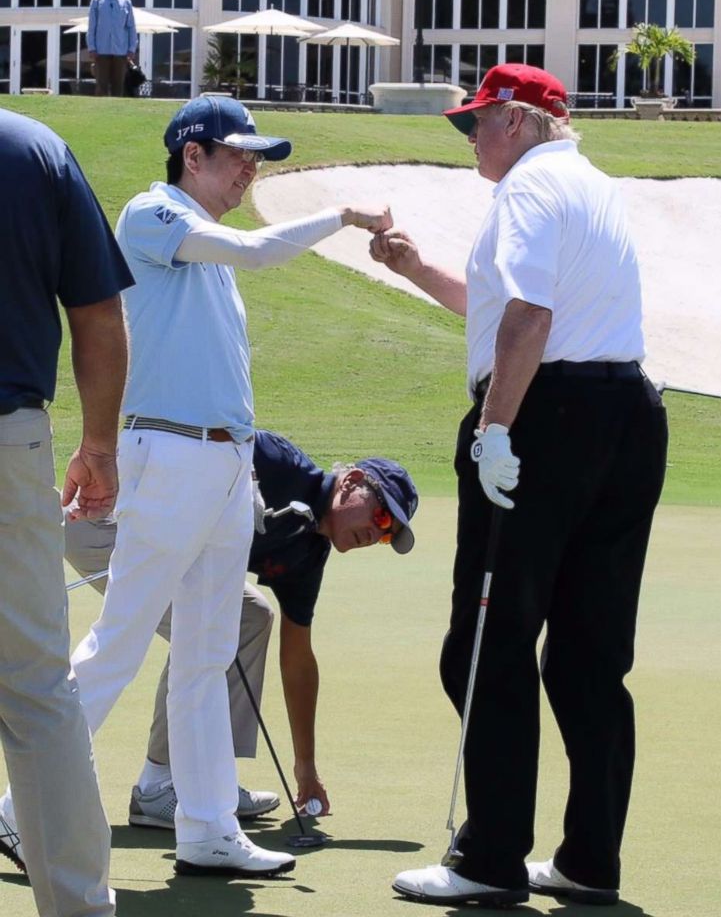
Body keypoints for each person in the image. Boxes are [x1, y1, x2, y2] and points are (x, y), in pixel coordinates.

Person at [3, 94, 392, 881]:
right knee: (119, 637)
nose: (251, 168)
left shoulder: (206, 249)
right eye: (240, 154)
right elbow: (253, 251)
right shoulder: (156, 215)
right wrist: (342, 214)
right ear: (191, 154)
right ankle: (19, 808)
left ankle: (207, 827)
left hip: (219, 463)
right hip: (167, 455)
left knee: (210, 652)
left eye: (257, 158)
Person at [370, 64, 668, 907]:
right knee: (588, 653)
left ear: (519, 120)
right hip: (625, 417)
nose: (469, 140)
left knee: (486, 641)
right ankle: (587, 861)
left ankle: (489, 860)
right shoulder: (593, 186)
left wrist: (496, 431)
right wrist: (417, 270)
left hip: (545, 420)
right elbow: (510, 307)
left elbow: (528, 321)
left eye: (476, 124)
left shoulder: (528, 192)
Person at [62, 430, 418, 827]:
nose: (377, 533)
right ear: (351, 482)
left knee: (251, 617)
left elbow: (298, 660)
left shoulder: (307, 553)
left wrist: (306, 769)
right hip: (105, 520)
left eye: (388, 535)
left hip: (156, 544)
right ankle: (161, 786)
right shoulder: (276, 460)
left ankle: (204, 782)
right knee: (203, 625)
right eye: (381, 515)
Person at [0, 109, 133, 915]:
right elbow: (96, 313)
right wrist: (100, 445)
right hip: (9, 439)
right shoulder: (34, 148)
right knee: (36, 686)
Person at [87, 0, 137, 97]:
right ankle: (100, 112)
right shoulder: (97, 0)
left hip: (120, 51)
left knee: (118, 85)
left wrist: (132, 48)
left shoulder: (126, 2)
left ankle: (117, 112)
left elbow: (131, 27)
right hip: (101, 50)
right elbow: (91, 26)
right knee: (101, 85)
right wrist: (91, 47)